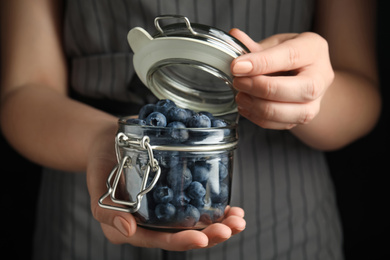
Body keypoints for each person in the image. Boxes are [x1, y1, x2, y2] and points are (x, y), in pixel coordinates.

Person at [0, 0, 380, 259]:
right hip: (93, 208)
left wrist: (307, 96)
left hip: (282, 229)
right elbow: (24, 91)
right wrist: (106, 142)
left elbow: (362, 94)